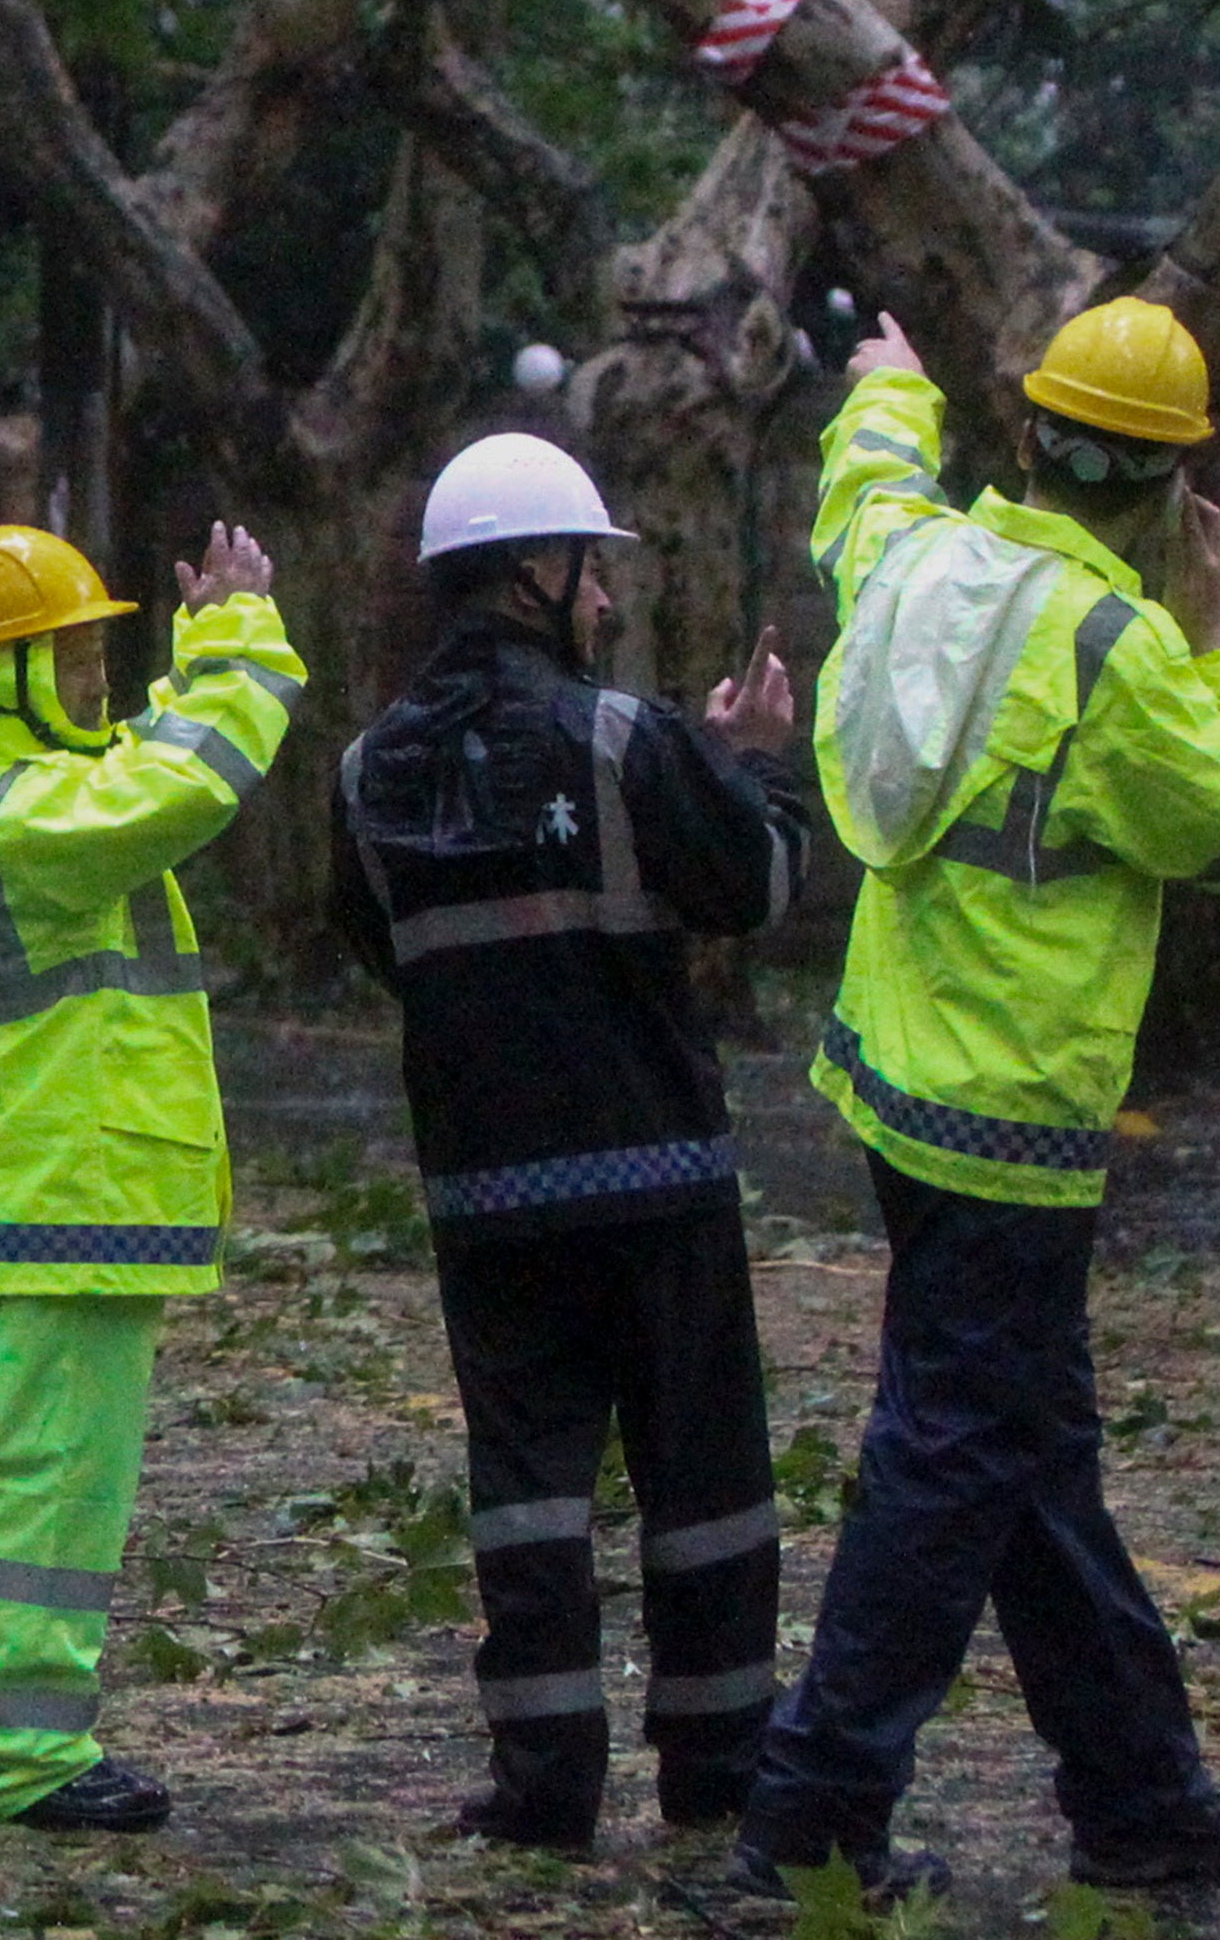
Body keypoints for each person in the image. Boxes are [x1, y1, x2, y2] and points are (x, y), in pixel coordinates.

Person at [735, 302, 1220, 1907]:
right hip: (1017, 1120)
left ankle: (1138, 1791)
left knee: (1025, 1449)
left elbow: (863, 492)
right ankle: (810, 1822)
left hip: (899, 1078)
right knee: (952, 1461)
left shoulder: (922, 563)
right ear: (1172, 485)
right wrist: (1217, 634)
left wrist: (890, 387)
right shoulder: (1118, 650)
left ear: (1030, 435)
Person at [327, 430, 811, 1855]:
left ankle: (544, 1786)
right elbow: (758, 884)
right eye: (592, 572)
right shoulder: (621, 738)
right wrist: (760, 769)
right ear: (537, 573)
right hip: (659, 1183)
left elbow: (384, 946)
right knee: (705, 1487)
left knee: (527, 1500)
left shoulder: (367, 776)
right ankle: (719, 1770)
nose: (604, 600)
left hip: (487, 1201)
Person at [0, 518, 308, 1831]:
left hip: (37, 1193)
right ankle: (17, 1757)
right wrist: (241, 641)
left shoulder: (11, 793)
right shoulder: (18, 814)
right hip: (62, 1199)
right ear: (2, 671)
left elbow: (139, 762)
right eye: (69, 655)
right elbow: (186, 787)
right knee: (48, 1488)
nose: (92, 676)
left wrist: (189, 654)